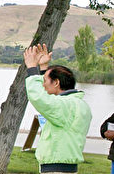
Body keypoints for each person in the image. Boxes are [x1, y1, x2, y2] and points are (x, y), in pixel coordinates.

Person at [23, 44, 92, 173]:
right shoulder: (76, 104)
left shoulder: (67, 105)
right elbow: (50, 102)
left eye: (44, 81)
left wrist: (32, 69)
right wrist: (43, 68)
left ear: (56, 83)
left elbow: (40, 98)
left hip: (56, 170)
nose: (42, 85)